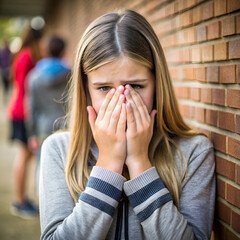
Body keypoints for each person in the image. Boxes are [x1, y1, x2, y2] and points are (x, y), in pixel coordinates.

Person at [39, 9, 215, 239]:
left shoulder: (193, 152)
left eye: (136, 86)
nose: (122, 103)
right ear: (85, 89)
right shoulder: (58, 150)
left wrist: (139, 163)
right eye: (103, 88)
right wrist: (108, 166)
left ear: (157, 84)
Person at [7, 21, 44, 219]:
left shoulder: (23, 54)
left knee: (26, 155)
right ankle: (20, 202)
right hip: (23, 113)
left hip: (19, 110)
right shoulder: (28, 56)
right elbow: (26, 89)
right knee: (24, 155)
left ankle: (21, 199)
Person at [27, 36, 70, 192]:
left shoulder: (34, 77)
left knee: (44, 165)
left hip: (43, 128)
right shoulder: (72, 75)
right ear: (63, 52)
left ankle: (45, 199)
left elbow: (32, 109)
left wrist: (32, 134)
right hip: (68, 126)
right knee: (68, 165)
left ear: (46, 52)